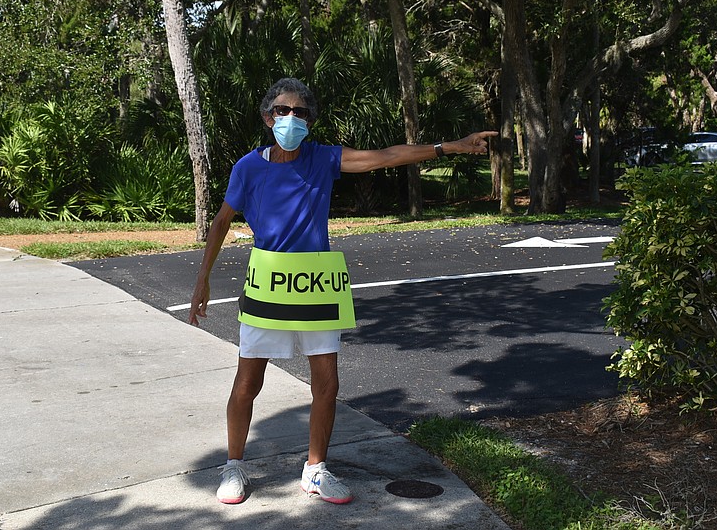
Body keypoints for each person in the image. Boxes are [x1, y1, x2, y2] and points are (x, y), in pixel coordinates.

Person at [188, 77, 496, 505]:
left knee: (327, 384)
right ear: (267, 117)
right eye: (282, 110)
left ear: (310, 120)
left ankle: (315, 470)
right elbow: (222, 221)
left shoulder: (322, 159)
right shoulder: (248, 167)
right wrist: (203, 278)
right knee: (247, 382)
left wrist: (451, 147)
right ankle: (234, 465)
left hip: (317, 284)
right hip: (268, 284)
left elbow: (384, 157)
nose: (291, 119)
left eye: (300, 112)